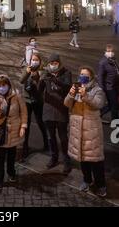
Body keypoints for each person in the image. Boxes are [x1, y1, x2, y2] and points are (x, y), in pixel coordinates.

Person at [64, 66, 107, 197]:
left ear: (91, 77)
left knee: (96, 160)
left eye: (85, 75)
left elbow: (99, 104)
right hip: (78, 128)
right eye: (81, 74)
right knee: (82, 158)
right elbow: (66, 104)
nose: (82, 76)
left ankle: (101, 185)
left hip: (91, 130)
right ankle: (87, 180)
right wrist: (71, 94)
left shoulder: (97, 90)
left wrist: (85, 95)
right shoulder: (76, 88)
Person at [0, 75, 27, 190]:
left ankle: (11, 173)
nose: (2, 88)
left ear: (8, 85)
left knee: (12, 155)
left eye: (4, 85)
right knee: (0, 158)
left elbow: (24, 112)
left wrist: (23, 126)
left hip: (15, 130)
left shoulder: (16, 95)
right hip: (1, 131)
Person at [39, 53, 72, 174]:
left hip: (61, 110)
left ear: (59, 63)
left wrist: (54, 80)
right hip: (48, 110)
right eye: (51, 63)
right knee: (50, 137)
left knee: (63, 138)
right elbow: (39, 91)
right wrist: (40, 81)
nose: (53, 65)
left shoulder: (66, 73)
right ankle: (53, 157)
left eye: (55, 63)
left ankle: (66, 160)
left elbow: (67, 87)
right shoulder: (46, 74)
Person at [20, 53, 49, 160]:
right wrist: (27, 73)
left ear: (40, 61)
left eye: (36, 60)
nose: (34, 61)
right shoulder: (26, 69)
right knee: (26, 123)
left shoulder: (43, 71)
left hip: (38, 101)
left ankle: (46, 142)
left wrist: (36, 76)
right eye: (33, 59)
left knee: (40, 122)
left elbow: (41, 87)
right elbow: (21, 80)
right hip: (27, 100)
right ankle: (25, 147)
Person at [98, 44, 119, 121]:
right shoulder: (103, 62)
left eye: (112, 51)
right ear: (105, 52)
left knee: (112, 105)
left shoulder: (113, 60)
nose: (110, 52)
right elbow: (100, 76)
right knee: (114, 105)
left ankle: (98, 115)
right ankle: (116, 123)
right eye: (108, 51)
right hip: (109, 87)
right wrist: (101, 88)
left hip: (115, 86)